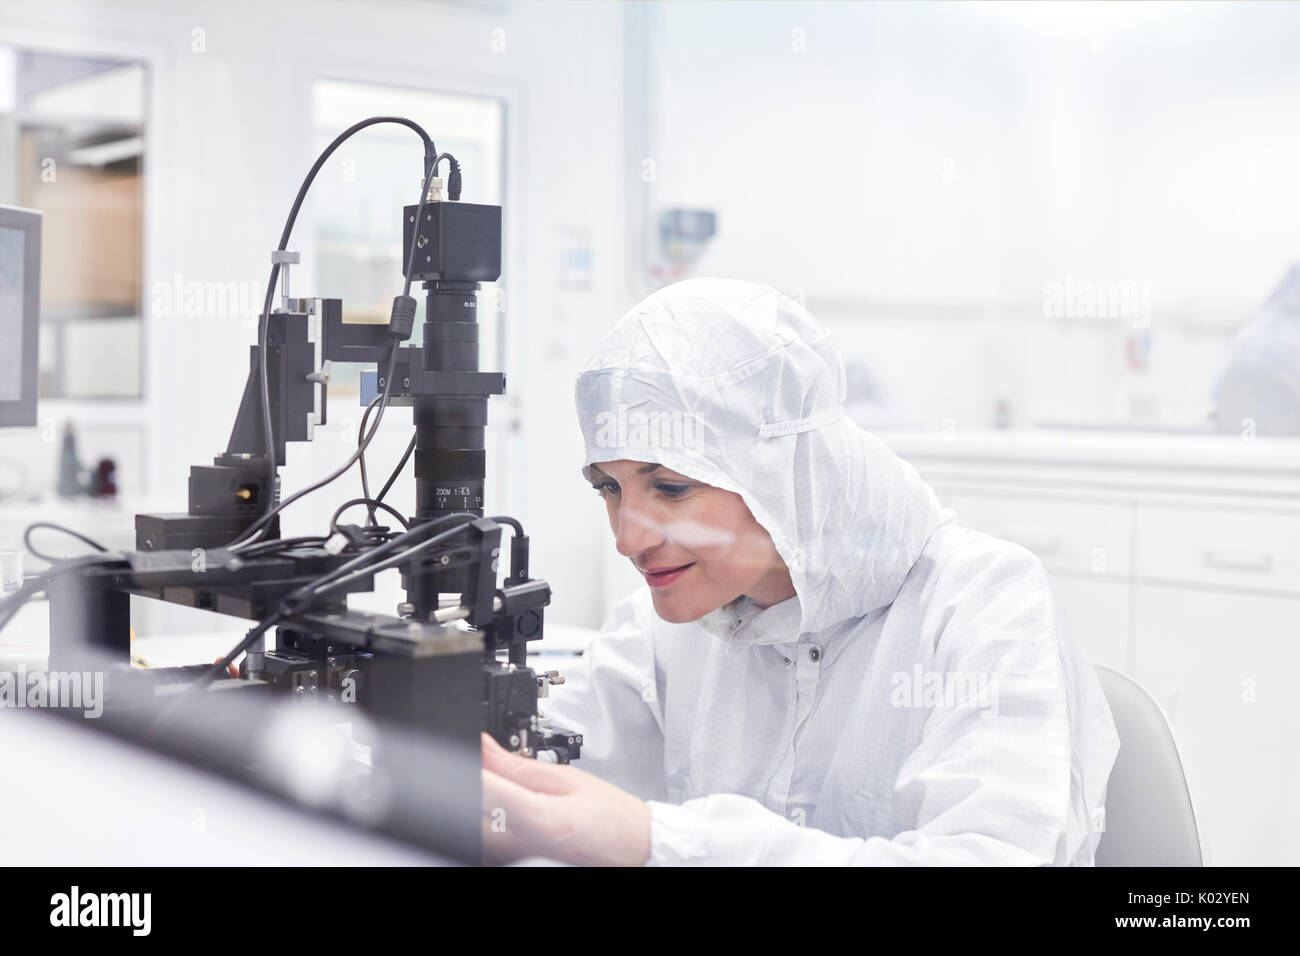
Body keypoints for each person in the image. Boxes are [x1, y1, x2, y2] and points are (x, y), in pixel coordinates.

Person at [480, 277, 1120, 866]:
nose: (628, 539)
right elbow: (544, 757)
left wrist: (663, 842)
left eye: (671, 488)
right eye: (609, 489)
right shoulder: (672, 623)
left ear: (778, 474)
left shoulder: (983, 604)